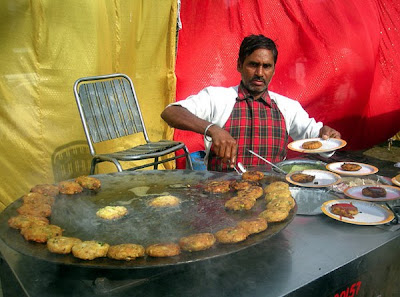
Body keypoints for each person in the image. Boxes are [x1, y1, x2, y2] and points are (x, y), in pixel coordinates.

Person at [161, 34, 341, 171]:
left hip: (272, 196)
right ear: (239, 65)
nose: (260, 73)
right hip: (220, 195)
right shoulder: (217, 98)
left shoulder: (288, 107)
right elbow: (171, 112)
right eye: (253, 64)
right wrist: (212, 129)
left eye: (267, 66)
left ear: (273, 70)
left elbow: (320, 142)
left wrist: (328, 136)